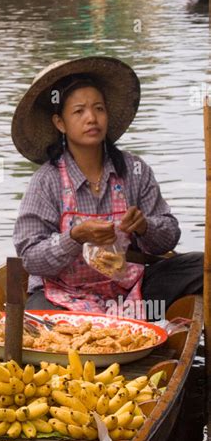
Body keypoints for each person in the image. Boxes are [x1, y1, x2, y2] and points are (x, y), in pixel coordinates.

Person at [12, 57, 203, 321]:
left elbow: (169, 237)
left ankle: (123, 321)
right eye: (79, 111)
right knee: (39, 315)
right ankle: (98, 331)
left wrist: (145, 226)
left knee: (202, 265)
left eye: (98, 108)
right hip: (63, 294)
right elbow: (31, 258)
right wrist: (75, 237)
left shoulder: (135, 170)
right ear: (60, 123)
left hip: (129, 290)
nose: (91, 118)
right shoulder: (47, 181)